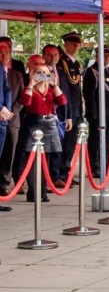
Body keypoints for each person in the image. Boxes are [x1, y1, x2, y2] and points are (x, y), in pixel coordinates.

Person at [18, 55, 68, 203]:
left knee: (45, 160)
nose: (42, 77)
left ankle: (43, 191)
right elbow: (25, 102)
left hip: (48, 124)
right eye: (39, 73)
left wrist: (54, 84)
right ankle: (33, 191)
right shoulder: (31, 90)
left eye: (45, 74)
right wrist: (31, 84)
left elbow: (62, 101)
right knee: (32, 161)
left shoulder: (51, 91)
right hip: (33, 123)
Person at [54, 32, 86, 181]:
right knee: (64, 141)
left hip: (77, 107)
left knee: (72, 143)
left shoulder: (75, 63)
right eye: (72, 43)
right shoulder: (62, 62)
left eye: (77, 44)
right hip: (67, 107)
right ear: (65, 43)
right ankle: (59, 173)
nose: (76, 46)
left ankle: (66, 171)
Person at [0, 39, 11, 211]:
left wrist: (6, 108)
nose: (3, 56)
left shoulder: (2, 70)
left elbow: (6, 89)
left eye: (5, 52)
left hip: (2, 119)